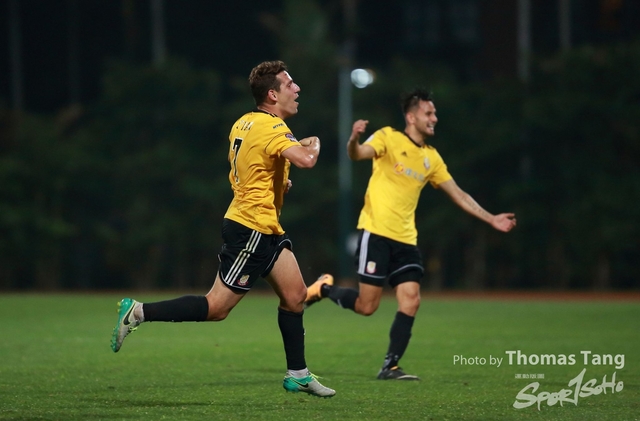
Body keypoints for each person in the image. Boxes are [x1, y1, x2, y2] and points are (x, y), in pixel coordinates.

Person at [111, 60, 335, 398]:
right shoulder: (272, 127)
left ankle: (298, 375)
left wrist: (279, 183)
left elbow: (254, 166)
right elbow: (307, 160)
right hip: (251, 229)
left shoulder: (244, 122)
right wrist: (313, 142)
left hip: (265, 227)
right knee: (217, 308)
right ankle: (139, 311)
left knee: (295, 297)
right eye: (290, 84)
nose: (297, 88)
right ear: (272, 95)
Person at [305, 89, 516, 380]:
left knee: (412, 300)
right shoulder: (388, 137)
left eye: (435, 113)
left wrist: (491, 218)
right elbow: (358, 154)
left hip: (406, 241)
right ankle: (323, 289)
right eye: (429, 113)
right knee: (367, 307)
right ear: (411, 117)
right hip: (376, 234)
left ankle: (390, 366)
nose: (434, 118)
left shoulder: (432, 158)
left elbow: (459, 194)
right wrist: (353, 139)